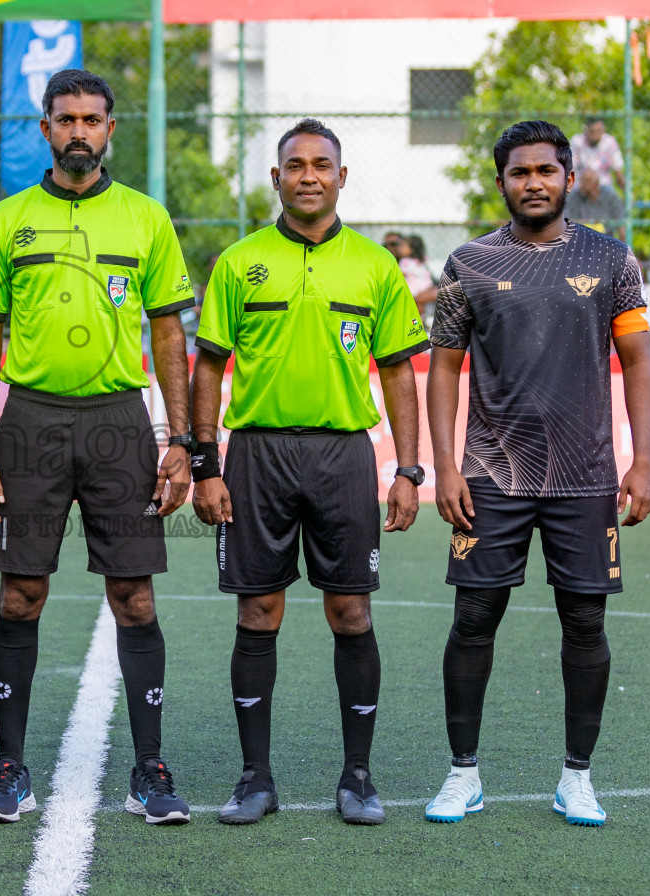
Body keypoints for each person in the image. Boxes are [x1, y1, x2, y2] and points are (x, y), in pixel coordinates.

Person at [0, 69, 197, 826]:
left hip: (120, 422)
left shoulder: (145, 219)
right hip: (28, 422)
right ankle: (9, 767)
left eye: (91, 120)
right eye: (64, 119)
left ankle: (150, 768)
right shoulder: (5, 221)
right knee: (19, 594)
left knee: (134, 596)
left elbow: (168, 333)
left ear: (109, 129)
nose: (77, 131)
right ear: (44, 129)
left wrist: (182, 440)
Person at [190, 119, 429, 827]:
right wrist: (207, 463)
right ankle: (254, 778)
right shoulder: (238, 262)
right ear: (275, 179)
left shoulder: (375, 267)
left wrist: (409, 469)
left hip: (343, 455)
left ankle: (357, 776)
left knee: (350, 610)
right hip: (256, 454)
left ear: (342, 177)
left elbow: (397, 371)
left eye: (322, 165)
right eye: (294, 165)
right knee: (257, 610)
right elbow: (207, 365)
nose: (308, 176)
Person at [424, 120, 650, 828]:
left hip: (585, 476)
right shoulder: (468, 263)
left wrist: (642, 459)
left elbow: (639, 363)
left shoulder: (611, 259)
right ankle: (463, 773)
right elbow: (442, 370)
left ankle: (577, 778)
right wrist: (445, 465)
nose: (534, 183)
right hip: (492, 474)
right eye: (520, 173)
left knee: (585, 621)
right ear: (501, 182)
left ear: (569, 176)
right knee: (473, 618)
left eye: (546, 171)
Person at [386, 232, 438, 318]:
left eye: (403, 246)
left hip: (420, 289)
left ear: (412, 248)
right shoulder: (409, 262)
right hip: (415, 290)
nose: (399, 248)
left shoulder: (407, 262)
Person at [570, 117, 623, 193]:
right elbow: (569, 169)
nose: (595, 135)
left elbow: (617, 170)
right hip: (581, 187)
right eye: (592, 131)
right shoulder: (577, 142)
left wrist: (627, 194)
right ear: (586, 130)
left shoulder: (610, 142)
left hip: (603, 186)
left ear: (603, 130)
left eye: (599, 131)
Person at [565, 168, 625, 235]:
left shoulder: (610, 196)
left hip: (605, 240)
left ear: (596, 183)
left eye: (587, 181)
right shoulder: (574, 197)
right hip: (581, 239)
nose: (583, 184)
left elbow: (621, 224)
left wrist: (625, 245)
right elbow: (566, 223)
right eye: (582, 181)